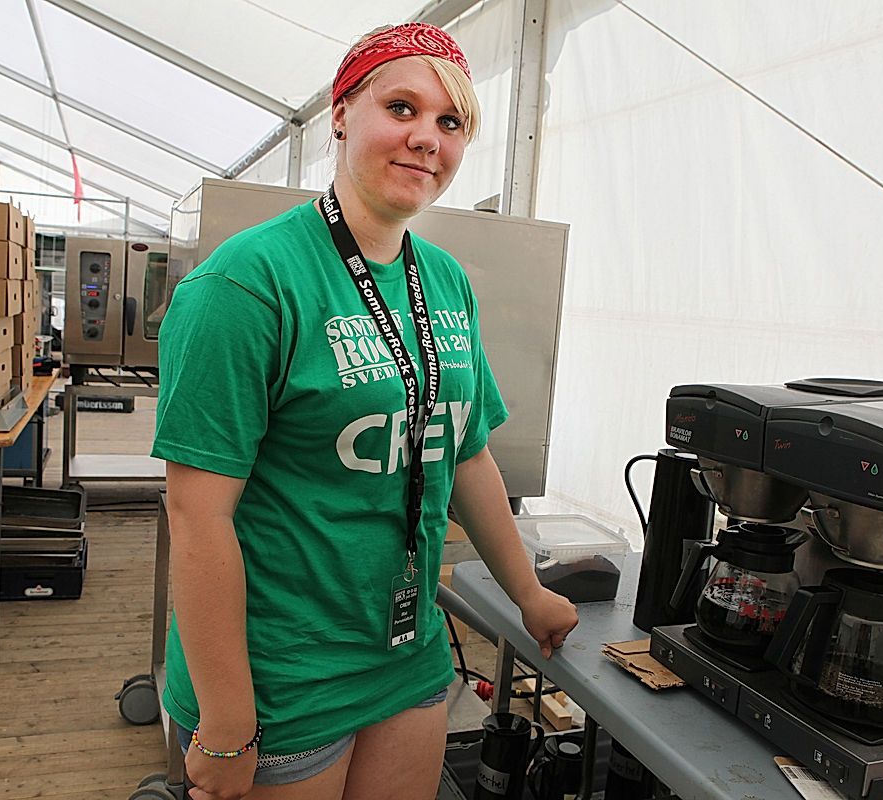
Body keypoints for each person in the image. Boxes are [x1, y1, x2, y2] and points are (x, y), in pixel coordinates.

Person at [151, 22, 579, 800]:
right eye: (403, 107)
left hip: (405, 653)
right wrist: (225, 721)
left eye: (450, 123)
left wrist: (527, 593)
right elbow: (197, 514)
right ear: (342, 114)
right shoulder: (247, 284)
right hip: (282, 666)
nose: (427, 138)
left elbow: (466, 451)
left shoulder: (444, 281)